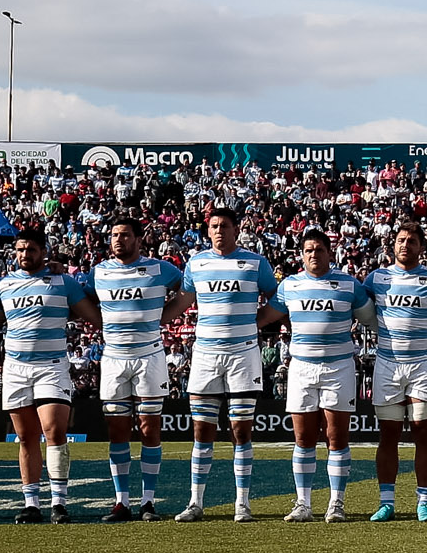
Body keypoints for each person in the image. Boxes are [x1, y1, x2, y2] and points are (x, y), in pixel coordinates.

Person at [170, 206, 278, 522]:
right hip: (204, 354)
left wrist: (256, 323)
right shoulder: (196, 263)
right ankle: (195, 503)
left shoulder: (256, 263)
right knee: (202, 431)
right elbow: (183, 302)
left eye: (224, 226)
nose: (219, 230)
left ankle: (242, 504)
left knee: (240, 431)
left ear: (236, 229)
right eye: (214, 225)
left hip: (243, 354)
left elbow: (276, 299)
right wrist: (152, 320)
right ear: (208, 230)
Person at [0, 227, 101, 522]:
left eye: (31, 250)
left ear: (43, 251)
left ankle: (59, 503)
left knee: (54, 431)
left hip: (51, 366)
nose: (24, 255)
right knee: (25, 437)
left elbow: (92, 312)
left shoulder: (63, 282)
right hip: (15, 368)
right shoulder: (3, 285)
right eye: (19, 250)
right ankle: (31, 504)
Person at [265, 228, 369, 522]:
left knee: (336, 437)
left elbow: (370, 318)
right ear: (302, 254)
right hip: (301, 367)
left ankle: (336, 503)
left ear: (329, 252)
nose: (314, 254)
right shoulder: (289, 285)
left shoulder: (349, 285)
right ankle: (303, 504)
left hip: (339, 367)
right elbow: (268, 316)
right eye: (308, 250)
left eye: (319, 249)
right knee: (303, 438)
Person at [86, 217, 185, 520]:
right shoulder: (99, 272)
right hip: (114, 358)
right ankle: (122, 502)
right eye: (115, 234)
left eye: (125, 235)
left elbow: (187, 290)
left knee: (149, 429)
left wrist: (165, 317)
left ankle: (148, 502)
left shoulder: (160, 269)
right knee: (117, 431)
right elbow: (85, 299)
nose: (118, 240)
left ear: (138, 239)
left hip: (149, 357)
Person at [364, 222, 427, 522]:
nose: (406, 245)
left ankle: (425, 502)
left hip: (423, 366)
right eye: (401, 240)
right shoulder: (376, 278)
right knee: (388, 435)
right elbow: (363, 309)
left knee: (423, 434)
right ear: (392, 245)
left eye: (412, 241)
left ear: (422, 247)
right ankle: (387, 502)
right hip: (387, 364)